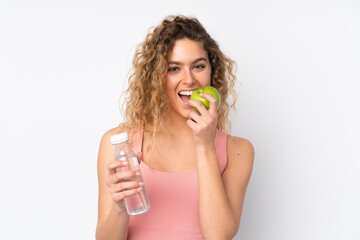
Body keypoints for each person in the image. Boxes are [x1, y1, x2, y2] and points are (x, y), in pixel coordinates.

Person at [95, 15, 254, 240]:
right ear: (156, 76)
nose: (189, 79)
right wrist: (120, 207)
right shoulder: (120, 143)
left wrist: (205, 145)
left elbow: (219, 236)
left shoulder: (238, 151)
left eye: (198, 66)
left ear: (212, 71)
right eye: (174, 69)